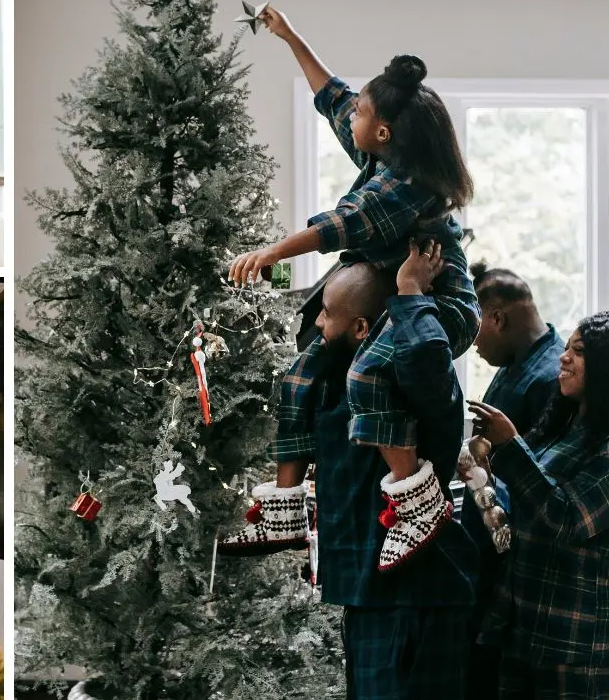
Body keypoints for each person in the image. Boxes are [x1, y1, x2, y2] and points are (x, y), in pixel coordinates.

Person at [222, 7, 480, 570]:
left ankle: (417, 499)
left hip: (438, 304)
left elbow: (337, 227)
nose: (353, 116)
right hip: (391, 295)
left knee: (367, 373)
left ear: (383, 130)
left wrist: (271, 253)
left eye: (364, 112)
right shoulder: (383, 149)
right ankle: (284, 513)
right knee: (299, 376)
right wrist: (290, 35)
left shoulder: (405, 186)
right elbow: (333, 97)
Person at [250, 245, 477, 697]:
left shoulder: (411, 380)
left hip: (413, 600)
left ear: (360, 329)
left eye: (329, 315)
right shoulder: (336, 378)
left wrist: (410, 291)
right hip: (368, 593)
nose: (317, 324)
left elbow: (427, 351)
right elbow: (310, 330)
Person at [470, 311, 609, 700]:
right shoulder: (564, 428)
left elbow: (565, 519)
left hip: (574, 645)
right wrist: (485, 469)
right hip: (524, 628)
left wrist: (512, 445)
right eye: (566, 349)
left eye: (579, 352)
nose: (564, 357)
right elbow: (528, 506)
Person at [463, 264, 565, 700]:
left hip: (511, 569)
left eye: (475, 331)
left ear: (497, 318)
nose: (473, 345)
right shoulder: (515, 363)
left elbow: (536, 486)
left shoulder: (549, 381)